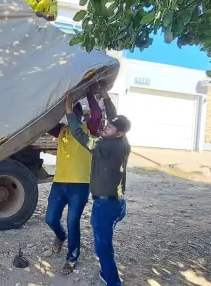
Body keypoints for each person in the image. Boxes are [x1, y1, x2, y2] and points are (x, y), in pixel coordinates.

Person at [65, 88, 131, 286]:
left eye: (109, 128)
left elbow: (79, 134)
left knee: (103, 247)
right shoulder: (123, 140)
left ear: (117, 133)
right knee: (105, 241)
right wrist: (105, 97)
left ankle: (112, 282)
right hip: (118, 204)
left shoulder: (104, 147)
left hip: (105, 207)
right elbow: (113, 118)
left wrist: (68, 110)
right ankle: (106, 271)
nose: (105, 127)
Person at [46, 90, 102, 275]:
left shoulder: (89, 130)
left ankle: (72, 256)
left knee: (73, 220)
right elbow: (45, 122)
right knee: (51, 218)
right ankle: (61, 237)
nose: (71, 117)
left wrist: (90, 94)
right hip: (59, 183)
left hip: (79, 185)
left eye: (73, 113)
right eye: (68, 113)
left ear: (80, 115)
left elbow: (97, 115)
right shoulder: (61, 130)